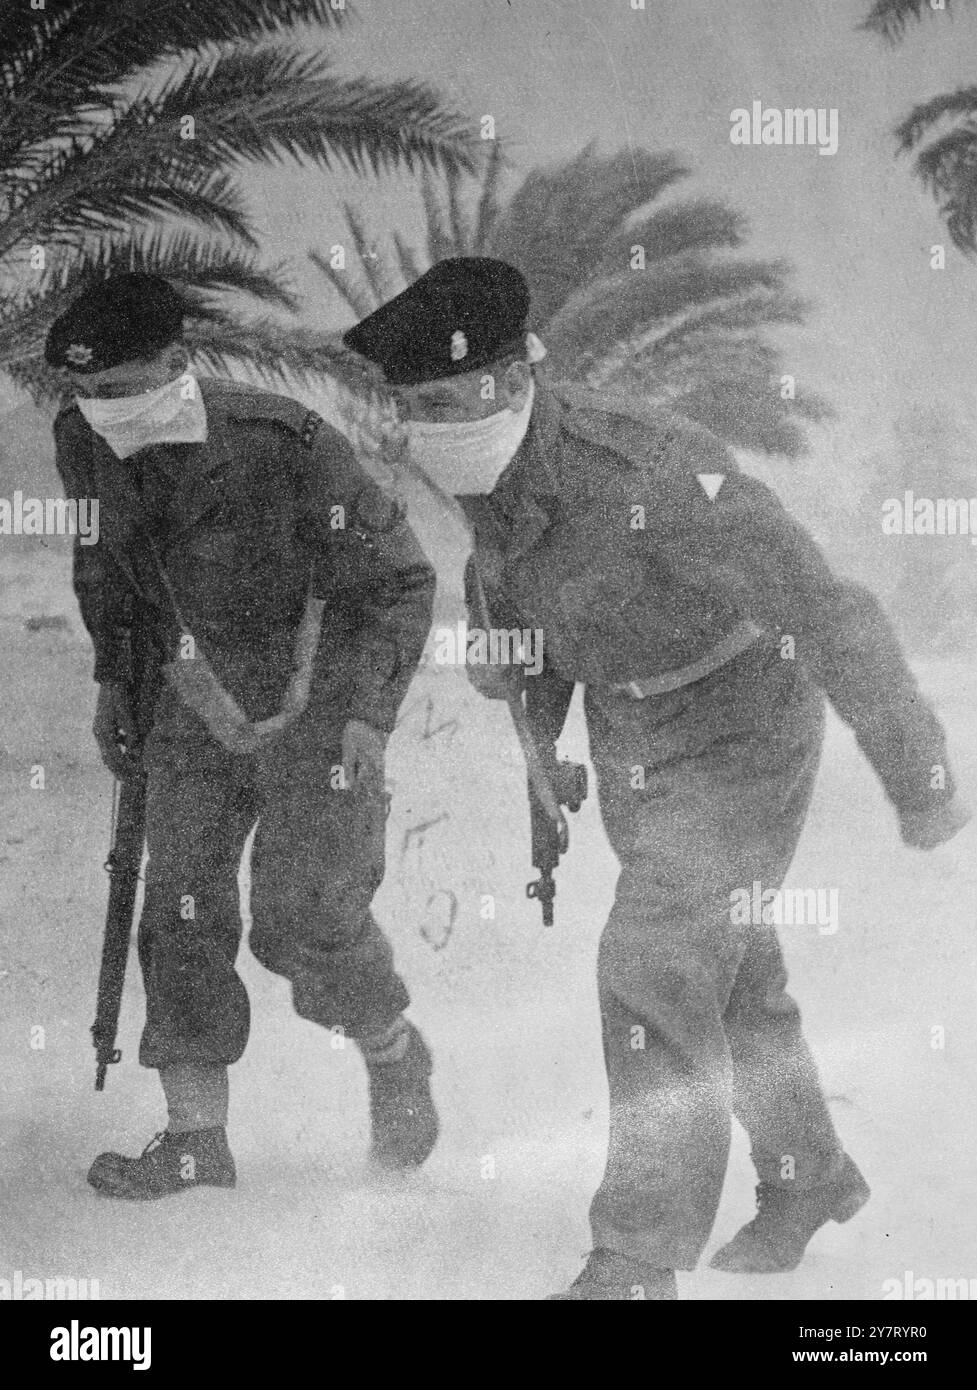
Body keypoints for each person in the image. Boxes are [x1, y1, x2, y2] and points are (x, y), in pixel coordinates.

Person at [343, 256, 971, 1299]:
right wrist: (539, 741)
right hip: (632, 729)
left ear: (510, 379)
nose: (424, 428)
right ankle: (806, 1174)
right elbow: (516, 599)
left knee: (652, 961)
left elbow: (824, 607)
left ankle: (634, 1259)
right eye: (409, 408)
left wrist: (919, 775)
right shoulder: (480, 469)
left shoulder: (653, 470)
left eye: (444, 402)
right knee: (723, 971)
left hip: (741, 721)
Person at [46, 272, 439, 1200]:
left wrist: (368, 717)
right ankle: (194, 1140)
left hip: (320, 699)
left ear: (178, 365)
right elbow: (105, 569)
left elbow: (398, 582)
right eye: (87, 393)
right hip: (188, 706)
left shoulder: (286, 441)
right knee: (180, 907)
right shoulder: (81, 442)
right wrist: (114, 682)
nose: (102, 411)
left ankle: (389, 1047)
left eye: (121, 387)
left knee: (301, 927)